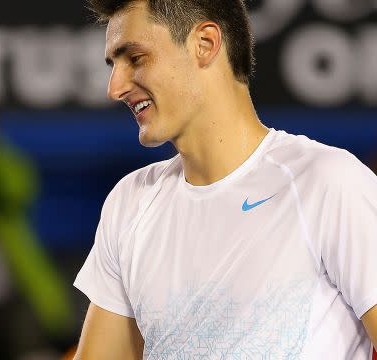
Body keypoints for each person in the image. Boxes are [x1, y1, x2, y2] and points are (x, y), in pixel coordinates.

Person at [73, 0, 377, 358]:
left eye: (135, 58)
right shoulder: (130, 202)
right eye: (113, 65)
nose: (115, 87)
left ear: (205, 44)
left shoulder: (329, 182)